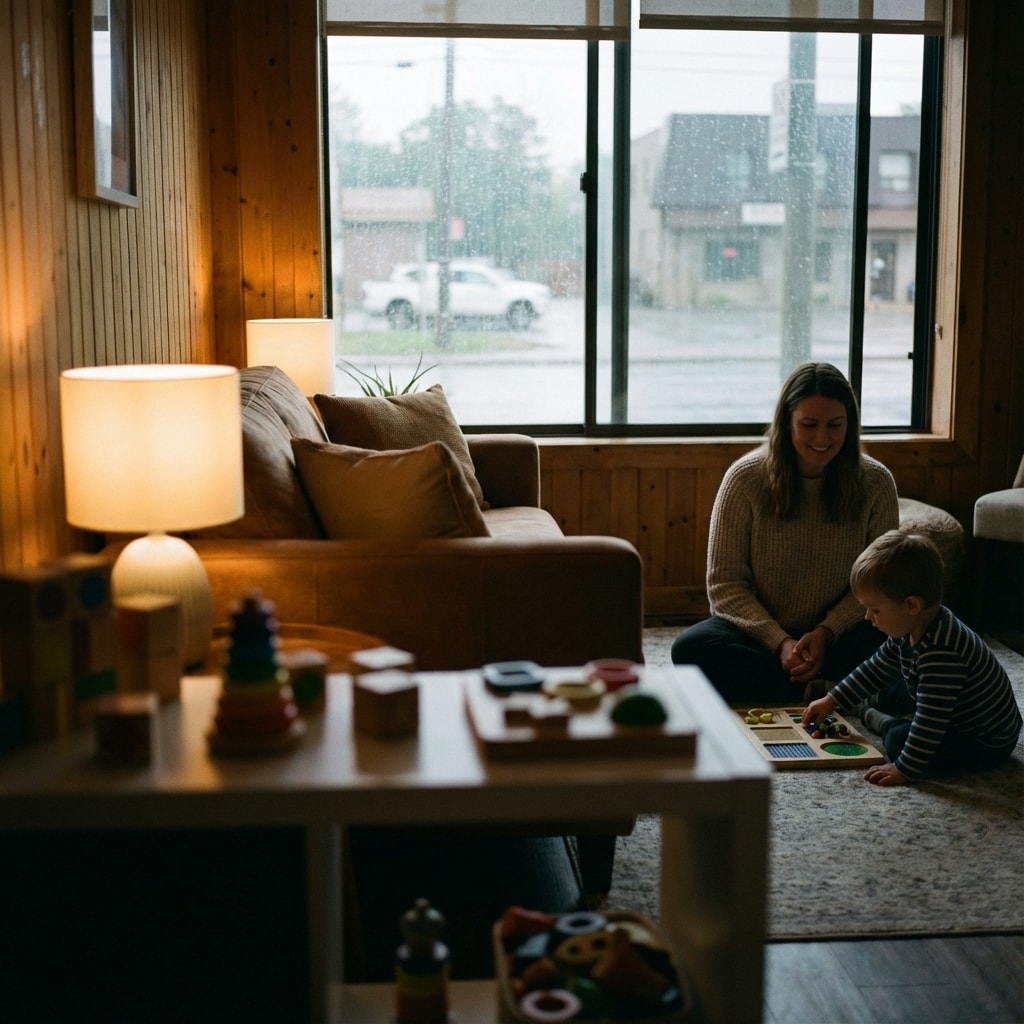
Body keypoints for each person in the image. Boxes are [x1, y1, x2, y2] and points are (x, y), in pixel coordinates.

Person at [672, 362, 899, 704]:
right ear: (786, 422)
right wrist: (780, 643)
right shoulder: (744, 480)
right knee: (690, 649)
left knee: (909, 650)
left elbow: (883, 582)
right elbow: (724, 586)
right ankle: (828, 690)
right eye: (809, 425)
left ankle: (804, 688)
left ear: (849, 426)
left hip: (843, 636)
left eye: (835, 425)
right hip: (761, 637)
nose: (822, 438)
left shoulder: (876, 482)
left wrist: (826, 632)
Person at [803, 530, 1022, 786]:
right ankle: (868, 707)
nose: (867, 617)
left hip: (984, 739)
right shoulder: (910, 626)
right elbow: (875, 668)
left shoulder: (942, 652)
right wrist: (833, 699)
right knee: (900, 688)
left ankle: (884, 722)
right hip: (948, 707)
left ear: (911, 605)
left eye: (874, 610)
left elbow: (930, 721)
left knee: (898, 742)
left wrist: (903, 770)